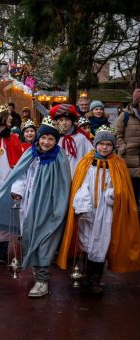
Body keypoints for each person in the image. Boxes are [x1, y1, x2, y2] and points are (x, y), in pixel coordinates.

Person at [56, 126, 140, 294]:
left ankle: (95, 280)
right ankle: (86, 276)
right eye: (101, 144)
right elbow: (80, 184)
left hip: (107, 210)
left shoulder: (118, 164)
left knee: (102, 242)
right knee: (86, 240)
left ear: (113, 146)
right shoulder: (86, 162)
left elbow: (123, 189)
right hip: (88, 210)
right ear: (95, 144)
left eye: (108, 144)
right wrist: (82, 202)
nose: (104, 147)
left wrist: (113, 194)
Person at [0, 116, 71, 298]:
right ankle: (38, 275)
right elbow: (20, 176)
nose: (46, 142)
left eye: (51, 139)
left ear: (56, 141)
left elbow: (63, 184)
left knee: (45, 241)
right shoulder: (30, 153)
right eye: (43, 138)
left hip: (49, 207)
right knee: (30, 239)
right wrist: (17, 192)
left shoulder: (59, 157)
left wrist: (58, 207)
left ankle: (42, 281)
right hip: (28, 206)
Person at [0, 106, 23, 264]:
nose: (10, 119)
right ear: (0, 118)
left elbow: (19, 159)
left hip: (8, 179)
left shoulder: (14, 137)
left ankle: (2, 252)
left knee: (4, 216)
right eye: (8, 116)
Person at [50, 104, 93, 177]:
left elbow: (91, 155)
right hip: (59, 176)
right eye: (61, 120)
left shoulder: (81, 138)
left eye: (67, 119)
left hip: (78, 176)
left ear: (72, 121)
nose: (64, 123)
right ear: (57, 122)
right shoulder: (55, 139)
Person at [114, 88, 140, 204]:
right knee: (131, 191)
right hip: (129, 158)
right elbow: (116, 133)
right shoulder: (125, 116)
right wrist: (123, 146)